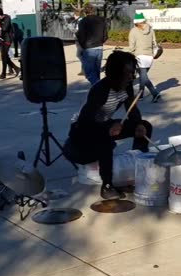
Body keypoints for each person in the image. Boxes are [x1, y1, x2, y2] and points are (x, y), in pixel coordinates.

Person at [63, 51, 153, 200]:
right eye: (128, 72)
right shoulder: (100, 90)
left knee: (145, 126)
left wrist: (138, 124)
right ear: (116, 72)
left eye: (133, 72)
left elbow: (132, 109)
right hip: (81, 129)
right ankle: (107, 186)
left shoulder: (126, 86)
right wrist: (109, 128)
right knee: (105, 140)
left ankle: (137, 170)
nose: (132, 76)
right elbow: (85, 122)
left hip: (103, 124)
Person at [127, 13, 161, 103]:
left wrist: (130, 55)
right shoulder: (151, 30)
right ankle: (140, 95)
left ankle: (155, 93)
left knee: (144, 78)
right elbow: (154, 43)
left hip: (139, 56)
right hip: (149, 56)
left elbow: (132, 46)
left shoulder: (133, 31)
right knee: (143, 77)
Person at [76, 5, 108, 85]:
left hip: (89, 48)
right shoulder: (101, 20)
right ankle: (97, 91)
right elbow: (105, 35)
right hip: (99, 47)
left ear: (85, 12)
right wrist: (100, 42)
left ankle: (99, 87)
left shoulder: (83, 21)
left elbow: (81, 35)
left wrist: (83, 45)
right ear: (94, 11)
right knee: (96, 72)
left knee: (89, 73)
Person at [0, 8, 21, 80]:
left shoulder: (7, 18)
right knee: (5, 56)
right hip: (1, 39)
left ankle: (3, 73)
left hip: (7, 39)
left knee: (4, 57)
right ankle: (17, 69)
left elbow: (5, 28)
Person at [68, 10, 85, 76]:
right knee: (81, 55)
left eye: (74, 15)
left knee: (79, 55)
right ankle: (83, 70)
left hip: (79, 40)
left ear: (76, 15)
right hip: (80, 39)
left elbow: (78, 31)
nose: (73, 16)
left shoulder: (79, 21)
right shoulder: (81, 20)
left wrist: (71, 28)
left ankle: (85, 68)